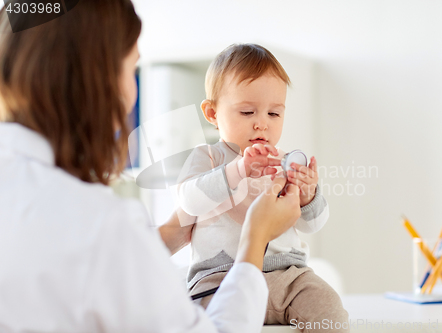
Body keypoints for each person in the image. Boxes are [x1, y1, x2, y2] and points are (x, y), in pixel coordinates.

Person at [0, 2, 302, 332]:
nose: (132, 93)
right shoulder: (103, 222)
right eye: (131, 70)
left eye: (274, 113)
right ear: (95, 81)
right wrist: (256, 237)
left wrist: (168, 234)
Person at [170, 44, 349, 332]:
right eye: (248, 112)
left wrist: (308, 196)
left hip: (288, 276)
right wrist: (237, 171)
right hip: (219, 279)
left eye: (274, 114)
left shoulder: (285, 161)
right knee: (203, 319)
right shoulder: (208, 157)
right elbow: (189, 202)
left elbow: (313, 225)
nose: (262, 125)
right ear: (212, 113)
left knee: (331, 311)